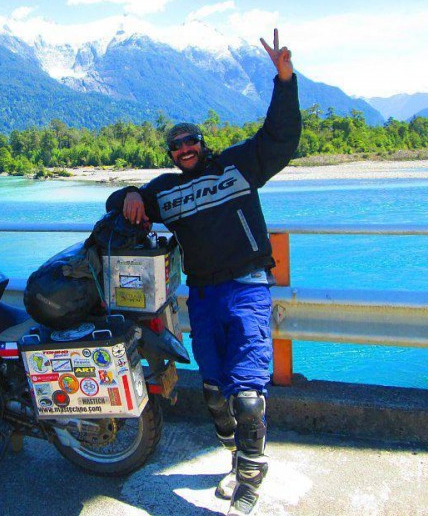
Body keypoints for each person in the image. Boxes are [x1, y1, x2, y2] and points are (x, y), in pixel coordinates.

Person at [106, 30, 300, 516]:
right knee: (215, 392)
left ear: (202, 142)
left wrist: (284, 79)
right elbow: (121, 205)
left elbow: (281, 138)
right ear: (171, 155)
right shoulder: (165, 191)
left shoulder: (237, 165)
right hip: (204, 296)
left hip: (249, 289)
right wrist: (129, 191)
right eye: (176, 145)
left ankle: (251, 482)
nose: (184, 148)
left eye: (190, 139)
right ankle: (236, 460)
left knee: (248, 397)